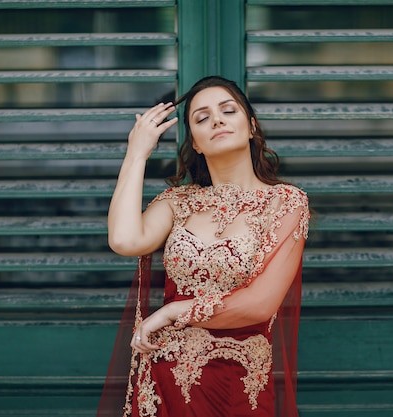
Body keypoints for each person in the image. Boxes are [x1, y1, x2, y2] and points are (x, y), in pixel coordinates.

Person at [97, 76, 309, 417]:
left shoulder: (284, 202)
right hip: (164, 380)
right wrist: (137, 153)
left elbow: (260, 304)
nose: (217, 120)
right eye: (201, 117)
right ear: (194, 142)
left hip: (237, 387)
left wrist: (169, 312)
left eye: (228, 110)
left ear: (251, 126)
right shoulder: (177, 202)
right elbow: (124, 240)